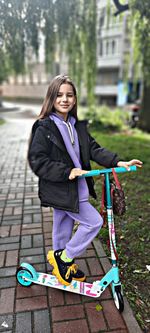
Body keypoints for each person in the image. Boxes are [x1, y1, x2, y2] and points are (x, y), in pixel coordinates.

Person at [28, 74, 142, 286]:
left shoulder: (76, 125)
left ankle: (62, 262)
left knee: (63, 225)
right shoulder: (44, 127)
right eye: (59, 95)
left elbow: (95, 149)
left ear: (74, 99)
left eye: (69, 95)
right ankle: (64, 258)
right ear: (51, 98)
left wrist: (118, 162)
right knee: (94, 222)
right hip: (61, 189)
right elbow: (38, 160)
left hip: (77, 189)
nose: (65, 99)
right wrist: (66, 171)